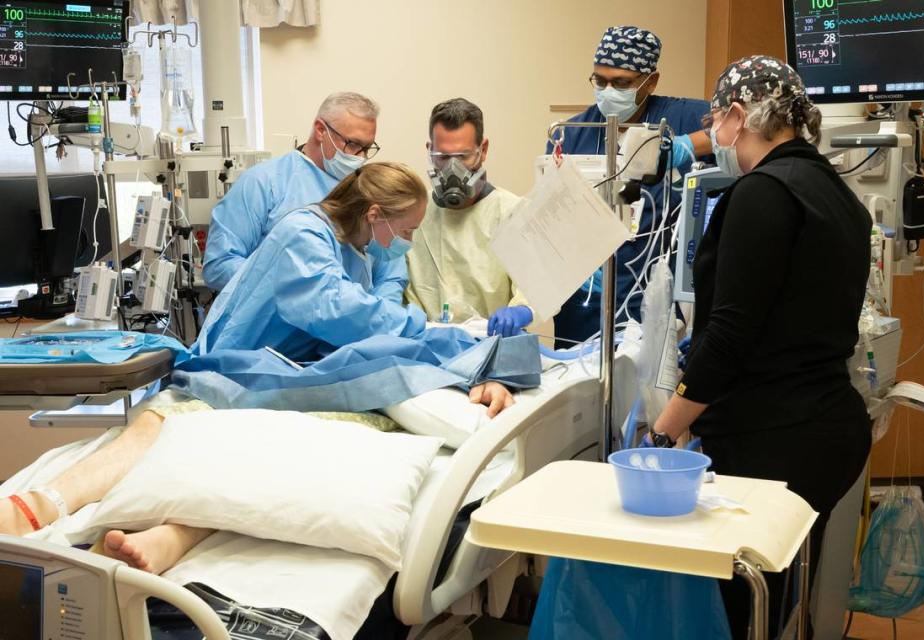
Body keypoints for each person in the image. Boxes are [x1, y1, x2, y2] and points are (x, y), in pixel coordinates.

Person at [0, 163, 515, 575]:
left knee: (264, 467)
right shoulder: (304, 234)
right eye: (404, 231)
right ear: (375, 213)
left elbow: (376, 300)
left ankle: (171, 537)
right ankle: (40, 504)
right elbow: (339, 310)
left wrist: (441, 342)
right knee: (159, 427)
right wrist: (428, 333)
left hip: (288, 374)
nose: (404, 241)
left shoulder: (356, 245)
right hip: (235, 368)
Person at [649, 55, 872, 638]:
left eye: (718, 119)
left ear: (741, 116)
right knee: (775, 603)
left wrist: (665, 429)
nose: (715, 135)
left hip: (775, 439)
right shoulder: (836, 196)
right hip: (827, 430)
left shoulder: (761, 193)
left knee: (737, 610)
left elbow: (728, 337)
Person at [551, 26, 713, 344]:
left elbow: (745, 127)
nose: (608, 91)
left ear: (650, 82)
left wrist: (686, 145)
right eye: (600, 81)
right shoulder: (572, 134)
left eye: (621, 83)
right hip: (583, 310)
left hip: (651, 303)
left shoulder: (683, 117)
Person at [202, 91, 382, 291]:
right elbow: (219, 266)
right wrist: (291, 285)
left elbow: (389, 270)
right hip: (278, 319)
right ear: (321, 130)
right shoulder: (263, 183)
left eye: (367, 147)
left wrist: (380, 311)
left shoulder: (368, 190)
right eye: (353, 144)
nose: (361, 157)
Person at [405, 98, 541, 337]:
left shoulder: (512, 212)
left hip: (491, 346)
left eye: (464, 156)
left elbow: (534, 288)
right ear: (429, 151)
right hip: (425, 350)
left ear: (483, 150)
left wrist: (522, 310)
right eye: (443, 157)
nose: (452, 168)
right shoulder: (412, 215)